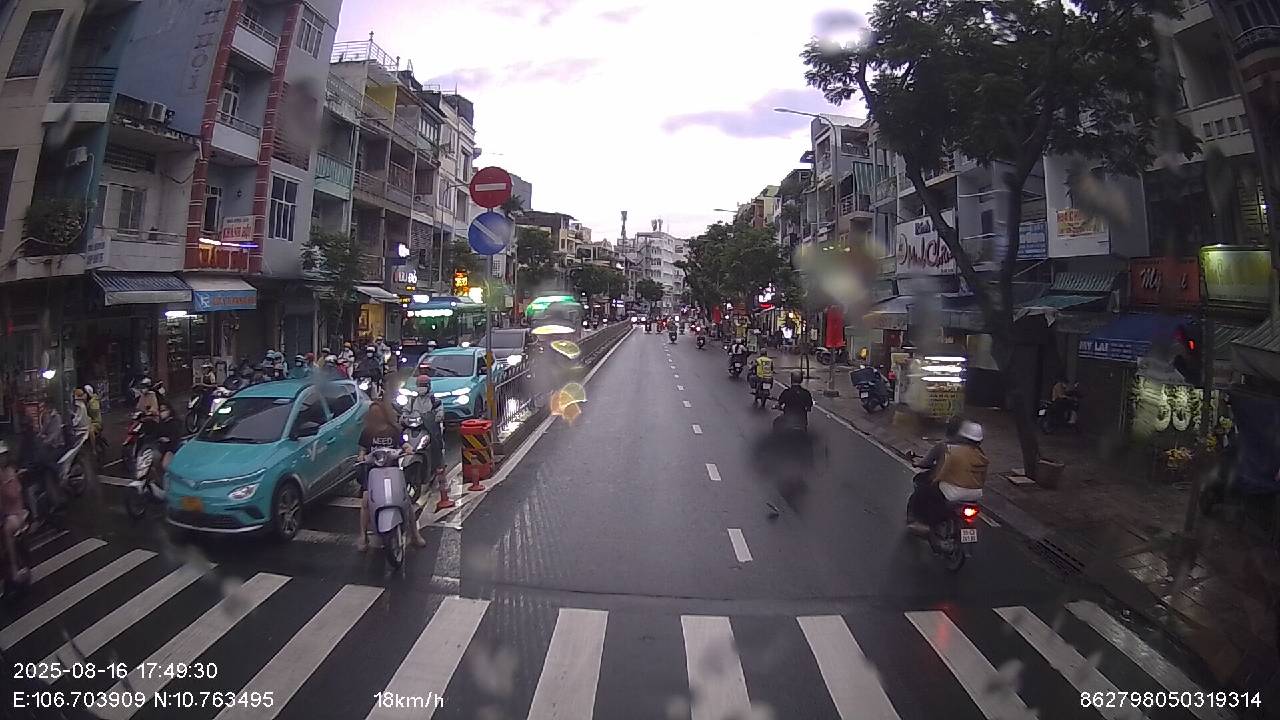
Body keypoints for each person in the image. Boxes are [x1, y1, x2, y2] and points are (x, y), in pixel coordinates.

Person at [356, 399, 427, 552]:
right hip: (373, 472)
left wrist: (408, 448)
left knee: (406, 500)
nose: (376, 415)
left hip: (393, 471)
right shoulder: (367, 432)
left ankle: (415, 534)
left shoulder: (393, 430)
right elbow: (362, 449)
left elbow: (403, 444)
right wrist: (361, 456)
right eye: (373, 412)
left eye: (378, 412)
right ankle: (363, 536)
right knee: (366, 501)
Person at [911, 420, 988, 531]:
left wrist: (934, 480)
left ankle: (924, 522)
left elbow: (941, 470)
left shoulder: (949, 449)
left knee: (925, 490)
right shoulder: (981, 455)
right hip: (976, 494)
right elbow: (983, 477)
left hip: (954, 492)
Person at [0, 442, 30, 585]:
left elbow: (13, 495)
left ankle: (14, 569)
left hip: (15, 514)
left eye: (3, 455)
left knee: (7, 529)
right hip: (5, 513)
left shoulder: (10, 472)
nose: (2, 458)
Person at [34, 395, 67, 509]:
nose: (45, 408)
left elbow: (55, 434)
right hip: (49, 445)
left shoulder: (56, 417)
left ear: (50, 405)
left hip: (58, 445)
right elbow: (43, 430)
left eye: (46, 405)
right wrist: (38, 436)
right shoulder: (46, 416)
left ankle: (59, 472)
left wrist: (46, 441)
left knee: (47, 460)